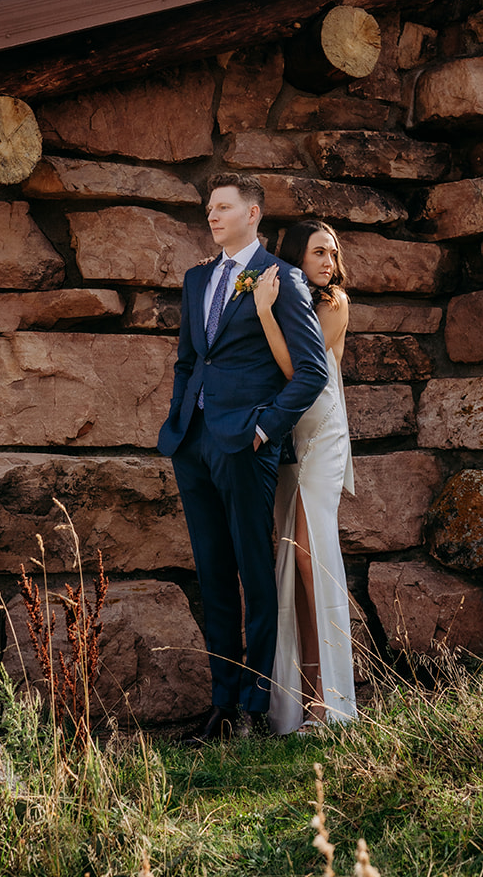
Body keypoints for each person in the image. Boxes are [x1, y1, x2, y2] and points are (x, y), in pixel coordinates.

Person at [158, 173, 329, 743]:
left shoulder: (283, 278)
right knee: (212, 576)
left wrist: (265, 431)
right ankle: (221, 706)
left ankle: (255, 705)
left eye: (224, 207)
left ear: (253, 214)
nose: (213, 215)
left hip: (246, 445)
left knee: (255, 575)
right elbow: (188, 360)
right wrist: (181, 420)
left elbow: (311, 371)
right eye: (210, 207)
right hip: (193, 443)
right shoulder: (197, 278)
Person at [253, 219, 357, 734]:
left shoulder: (334, 304)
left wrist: (266, 317)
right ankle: (293, 702)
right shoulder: (289, 292)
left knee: (312, 559)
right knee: (291, 564)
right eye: (318, 252)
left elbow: (300, 370)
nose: (329, 263)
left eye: (333, 254)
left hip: (322, 437)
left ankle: (327, 699)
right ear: (295, 255)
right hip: (289, 439)